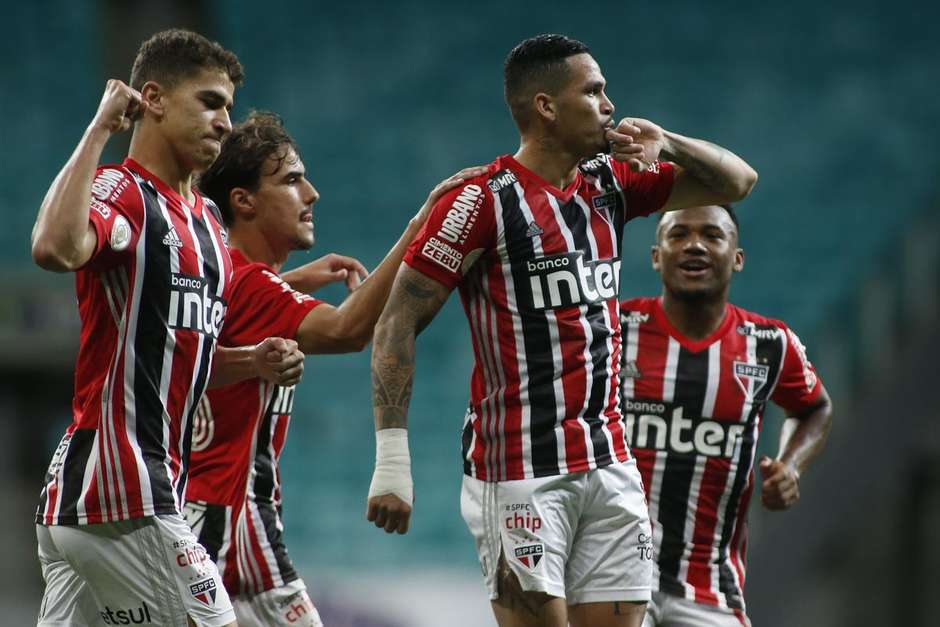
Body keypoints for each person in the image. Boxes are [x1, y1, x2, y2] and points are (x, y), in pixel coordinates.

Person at [366, 34, 758, 627]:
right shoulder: (480, 202)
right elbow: (397, 321)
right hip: (521, 469)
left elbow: (737, 183)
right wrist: (392, 458)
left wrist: (668, 141)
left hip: (610, 463)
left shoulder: (610, 183)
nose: (609, 103)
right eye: (594, 90)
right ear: (546, 107)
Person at [30, 30, 303, 627]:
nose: (225, 121)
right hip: (122, 492)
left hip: (107, 501)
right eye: (210, 102)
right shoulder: (123, 194)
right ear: (152, 99)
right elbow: (53, 246)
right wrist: (101, 128)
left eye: (228, 106)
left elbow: (185, 348)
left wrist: (252, 361)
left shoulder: (204, 218)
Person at [182, 111, 486, 627]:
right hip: (219, 516)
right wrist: (419, 229)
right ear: (243, 201)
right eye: (292, 180)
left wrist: (296, 280)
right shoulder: (252, 285)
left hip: (230, 512)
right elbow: (349, 331)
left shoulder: (223, 273)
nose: (313, 193)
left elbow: (238, 308)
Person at [619, 204, 833, 627]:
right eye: (678, 234)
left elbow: (814, 407)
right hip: (614, 574)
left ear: (737, 257)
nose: (694, 245)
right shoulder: (615, 330)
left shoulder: (770, 345)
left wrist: (791, 466)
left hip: (710, 586)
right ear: (656, 255)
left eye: (712, 235)